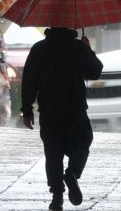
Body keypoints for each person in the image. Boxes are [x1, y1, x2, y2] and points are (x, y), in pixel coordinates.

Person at [21, 27, 103, 210]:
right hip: (75, 108)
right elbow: (96, 71)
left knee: (53, 153)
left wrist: (26, 109)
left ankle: (57, 197)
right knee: (83, 141)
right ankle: (72, 173)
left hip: (49, 110)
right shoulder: (78, 48)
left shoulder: (39, 49)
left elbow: (29, 80)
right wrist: (88, 49)